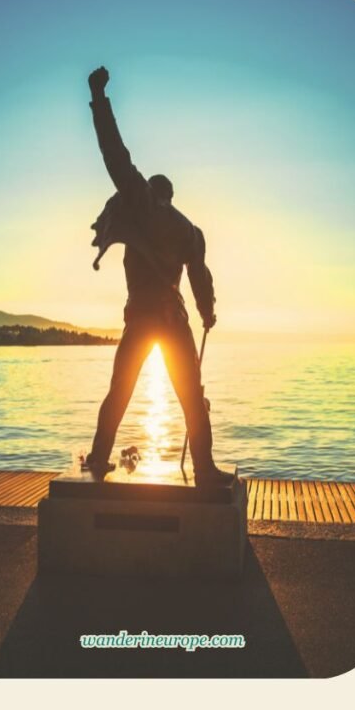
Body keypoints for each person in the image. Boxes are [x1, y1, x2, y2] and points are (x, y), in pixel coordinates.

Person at [82, 66, 233, 486]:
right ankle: (205, 467)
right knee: (190, 395)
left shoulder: (139, 204)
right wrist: (208, 312)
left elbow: (114, 152)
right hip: (176, 320)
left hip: (142, 318)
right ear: (173, 194)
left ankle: (98, 458)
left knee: (120, 391)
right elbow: (200, 276)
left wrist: (99, 97)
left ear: (150, 190)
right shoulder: (190, 229)